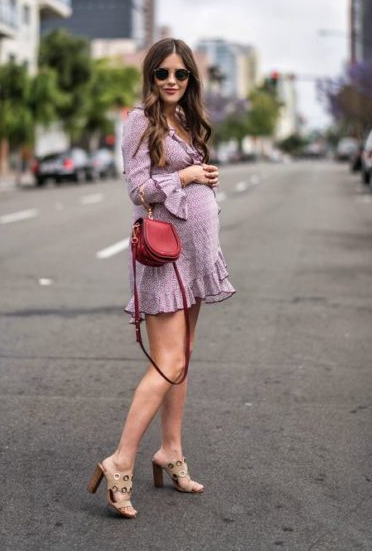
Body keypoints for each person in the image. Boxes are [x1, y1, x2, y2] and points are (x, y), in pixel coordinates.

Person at [87, 38, 235, 518]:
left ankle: (170, 449)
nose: (171, 81)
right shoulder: (139, 121)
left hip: (195, 254)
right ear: (150, 77)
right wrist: (189, 178)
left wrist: (203, 181)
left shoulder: (187, 122)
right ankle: (120, 459)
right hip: (163, 255)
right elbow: (137, 187)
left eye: (181, 74)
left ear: (191, 79)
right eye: (162, 73)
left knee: (183, 358)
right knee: (168, 360)